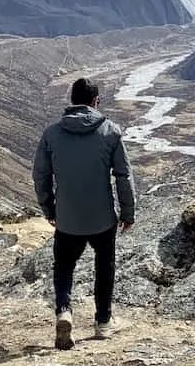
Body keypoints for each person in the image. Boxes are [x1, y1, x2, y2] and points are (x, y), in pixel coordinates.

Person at [33, 76, 135, 350]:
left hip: (67, 217)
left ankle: (64, 310)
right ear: (95, 101)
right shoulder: (111, 131)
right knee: (105, 266)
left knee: (64, 266)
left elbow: (41, 175)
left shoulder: (52, 134)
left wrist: (48, 207)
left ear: (71, 101)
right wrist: (128, 212)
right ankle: (103, 322)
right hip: (102, 218)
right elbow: (123, 176)